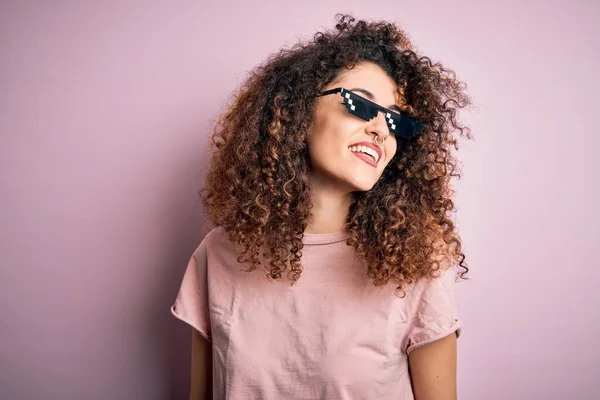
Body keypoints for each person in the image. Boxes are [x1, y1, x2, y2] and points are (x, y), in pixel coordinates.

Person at [171, 13, 472, 400]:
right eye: (361, 105)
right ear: (298, 111)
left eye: (396, 122)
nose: (381, 129)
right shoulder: (219, 254)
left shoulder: (415, 262)